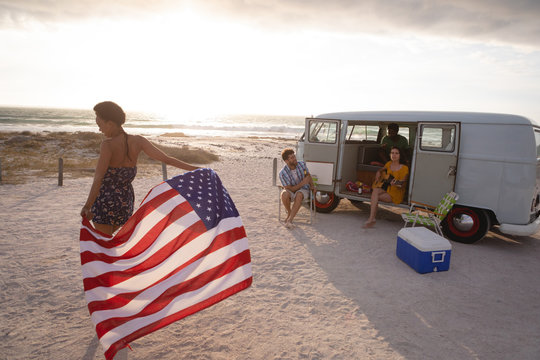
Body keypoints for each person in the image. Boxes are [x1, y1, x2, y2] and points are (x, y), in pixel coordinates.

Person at [80, 101, 198, 235]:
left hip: (105, 202)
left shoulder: (107, 145)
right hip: (125, 203)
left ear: (110, 124)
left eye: (100, 125)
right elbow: (167, 159)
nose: (99, 129)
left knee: (105, 245)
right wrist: (196, 169)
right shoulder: (138, 141)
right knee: (110, 243)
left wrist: (87, 206)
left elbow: (98, 178)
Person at [364, 146, 409, 228]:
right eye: (392, 153)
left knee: (374, 196)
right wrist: (378, 172)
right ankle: (372, 218)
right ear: (390, 154)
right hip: (387, 188)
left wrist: (396, 183)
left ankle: (372, 219)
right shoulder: (388, 164)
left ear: (400, 155)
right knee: (375, 192)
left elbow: (402, 183)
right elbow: (382, 169)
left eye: (396, 153)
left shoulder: (404, 168)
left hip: (395, 194)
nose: (394, 155)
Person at [279, 148, 315, 229]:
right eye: (291, 158)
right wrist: (302, 182)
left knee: (299, 194)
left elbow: (308, 176)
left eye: (294, 156)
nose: (295, 159)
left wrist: (312, 186)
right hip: (292, 190)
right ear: (286, 161)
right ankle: (289, 212)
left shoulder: (302, 164)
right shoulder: (282, 173)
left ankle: (290, 220)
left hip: (303, 189)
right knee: (284, 194)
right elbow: (290, 189)